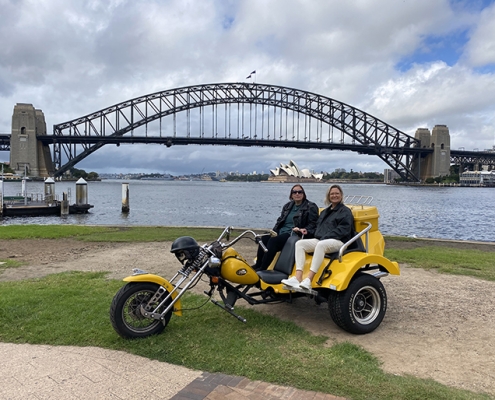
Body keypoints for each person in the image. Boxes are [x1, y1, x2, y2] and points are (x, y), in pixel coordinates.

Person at [281, 184, 354, 289]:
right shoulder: (325, 212)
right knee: (300, 244)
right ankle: (298, 278)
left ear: (341, 196)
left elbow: (343, 230)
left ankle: (309, 280)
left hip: (339, 241)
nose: (334, 196)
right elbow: (317, 228)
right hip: (323, 240)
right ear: (328, 196)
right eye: (332, 194)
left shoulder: (345, 211)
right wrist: (306, 231)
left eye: (337, 193)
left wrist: (325, 236)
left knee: (320, 245)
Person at [253, 184, 319, 271]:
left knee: (274, 241)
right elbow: (280, 221)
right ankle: (258, 264)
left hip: (293, 234)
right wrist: (272, 232)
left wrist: (302, 230)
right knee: (264, 238)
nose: (297, 194)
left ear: (303, 194)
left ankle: (263, 268)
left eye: (300, 192)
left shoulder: (311, 207)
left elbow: (313, 224)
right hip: (282, 232)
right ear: (291, 195)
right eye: (294, 192)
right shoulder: (288, 206)